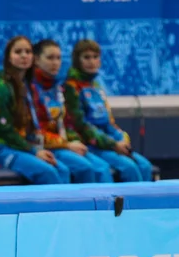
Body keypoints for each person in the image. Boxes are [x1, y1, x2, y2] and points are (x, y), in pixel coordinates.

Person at [0, 35, 70, 185]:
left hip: (19, 146)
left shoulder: (26, 86)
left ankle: (68, 209)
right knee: (47, 172)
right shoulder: (0, 86)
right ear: (9, 58)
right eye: (18, 52)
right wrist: (34, 151)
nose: (24, 55)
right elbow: (6, 131)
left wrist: (37, 148)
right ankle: (52, 209)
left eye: (28, 51)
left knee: (62, 169)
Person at [65, 39, 153, 182]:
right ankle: (126, 205)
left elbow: (108, 122)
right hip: (89, 145)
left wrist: (121, 138)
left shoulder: (96, 86)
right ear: (77, 60)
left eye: (95, 57)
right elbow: (81, 126)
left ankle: (147, 204)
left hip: (109, 143)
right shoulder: (71, 87)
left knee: (144, 165)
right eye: (86, 57)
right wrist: (113, 145)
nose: (91, 61)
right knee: (129, 167)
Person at [32, 39, 113, 183]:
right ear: (37, 60)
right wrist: (67, 144)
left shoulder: (56, 87)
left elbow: (64, 125)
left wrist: (119, 137)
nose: (55, 63)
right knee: (86, 168)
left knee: (102, 166)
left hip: (64, 143)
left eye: (58, 58)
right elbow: (35, 131)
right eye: (50, 58)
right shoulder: (32, 89)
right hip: (45, 146)